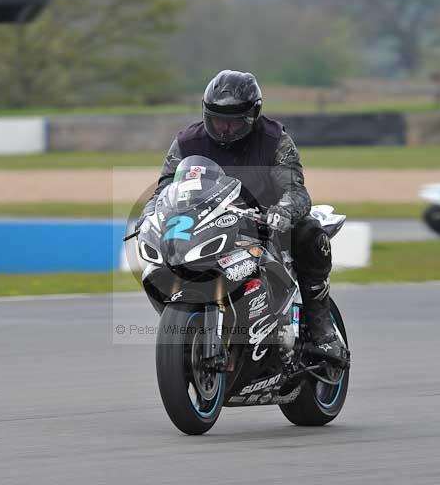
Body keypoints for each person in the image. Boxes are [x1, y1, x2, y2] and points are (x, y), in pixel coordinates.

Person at [137, 70, 348, 368]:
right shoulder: (186, 142)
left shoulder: (276, 141)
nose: (223, 127)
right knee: (164, 261)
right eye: (217, 118)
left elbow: (295, 190)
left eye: (233, 120)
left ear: (253, 114)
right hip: (210, 224)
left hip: (264, 224)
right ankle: (191, 330)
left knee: (309, 232)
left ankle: (321, 325)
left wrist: (282, 212)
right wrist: (149, 215)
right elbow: (164, 189)